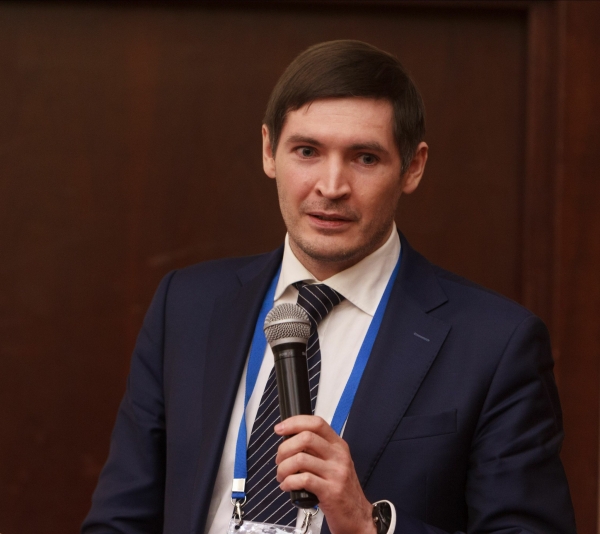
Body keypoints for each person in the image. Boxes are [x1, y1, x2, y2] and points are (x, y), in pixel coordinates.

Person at [82, 40, 576, 534]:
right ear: (269, 151)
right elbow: (119, 521)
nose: (331, 186)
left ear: (413, 167)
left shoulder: (495, 345)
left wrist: (367, 524)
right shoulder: (186, 306)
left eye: (365, 158)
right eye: (307, 151)